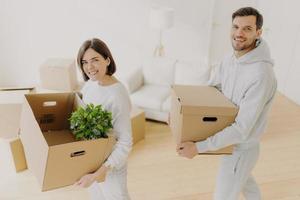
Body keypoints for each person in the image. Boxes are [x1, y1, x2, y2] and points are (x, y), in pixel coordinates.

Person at [177, 7, 277, 200]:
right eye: (236, 27)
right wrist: (181, 115)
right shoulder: (229, 59)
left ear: (258, 33)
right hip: (229, 142)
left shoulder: (261, 75)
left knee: (223, 195)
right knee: (245, 182)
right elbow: (212, 90)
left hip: (241, 148)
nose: (239, 33)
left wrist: (199, 147)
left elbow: (241, 129)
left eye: (247, 29)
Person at [74, 38, 132, 200]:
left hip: (110, 167)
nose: (89, 67)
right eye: (84, 62)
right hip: (92, 160)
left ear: (107, 60)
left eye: (95, 60)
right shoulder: (90, 85)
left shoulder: (117, 94)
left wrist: (98, 173)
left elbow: (125, 143)